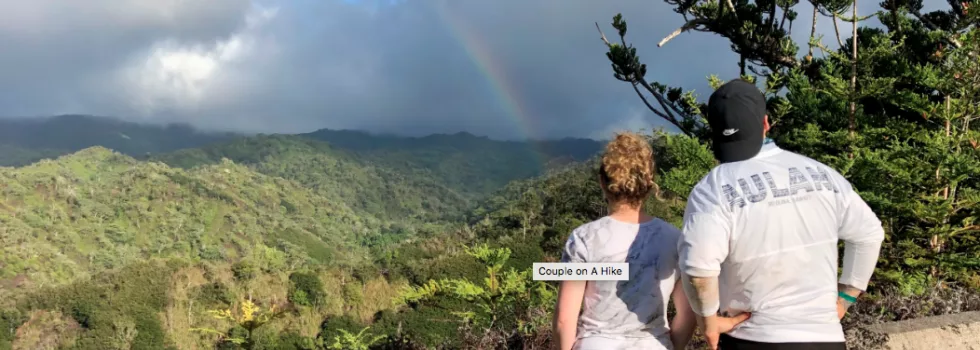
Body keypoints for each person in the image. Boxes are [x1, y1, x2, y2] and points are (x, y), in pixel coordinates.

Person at [677, 79, 886, 350]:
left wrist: (708, 323)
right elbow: (869, 234)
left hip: (752, 337)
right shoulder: (823, 175)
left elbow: (697, 268)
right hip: (825, 338)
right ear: (766, 124)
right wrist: (846, 298)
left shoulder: (714, 186)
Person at [552, 132, 698, 350]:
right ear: (649, 184)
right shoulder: (674, 238)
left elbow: (565, 319)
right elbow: (688, 315)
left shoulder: (584, 238)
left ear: (602, 182)